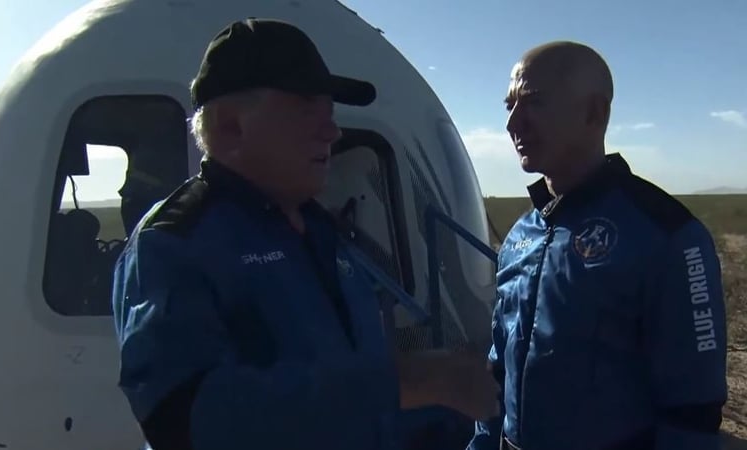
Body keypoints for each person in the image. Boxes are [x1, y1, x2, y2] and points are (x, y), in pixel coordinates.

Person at [111, 17, 500, 450]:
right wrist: (410, 381)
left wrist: (450, 415)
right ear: (229, 128)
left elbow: (362, 402)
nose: (331, 132)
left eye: (330, 114)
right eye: (304, 111)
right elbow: (183, 420)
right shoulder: (175, 243)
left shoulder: (324, 232)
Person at [468, 41, 729, 450]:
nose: (513, 123)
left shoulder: (668, 235)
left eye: (533, 101)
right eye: (509, 106)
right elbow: (499, 369)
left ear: (595, 113)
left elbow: (692, 411)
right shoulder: (522, 234)